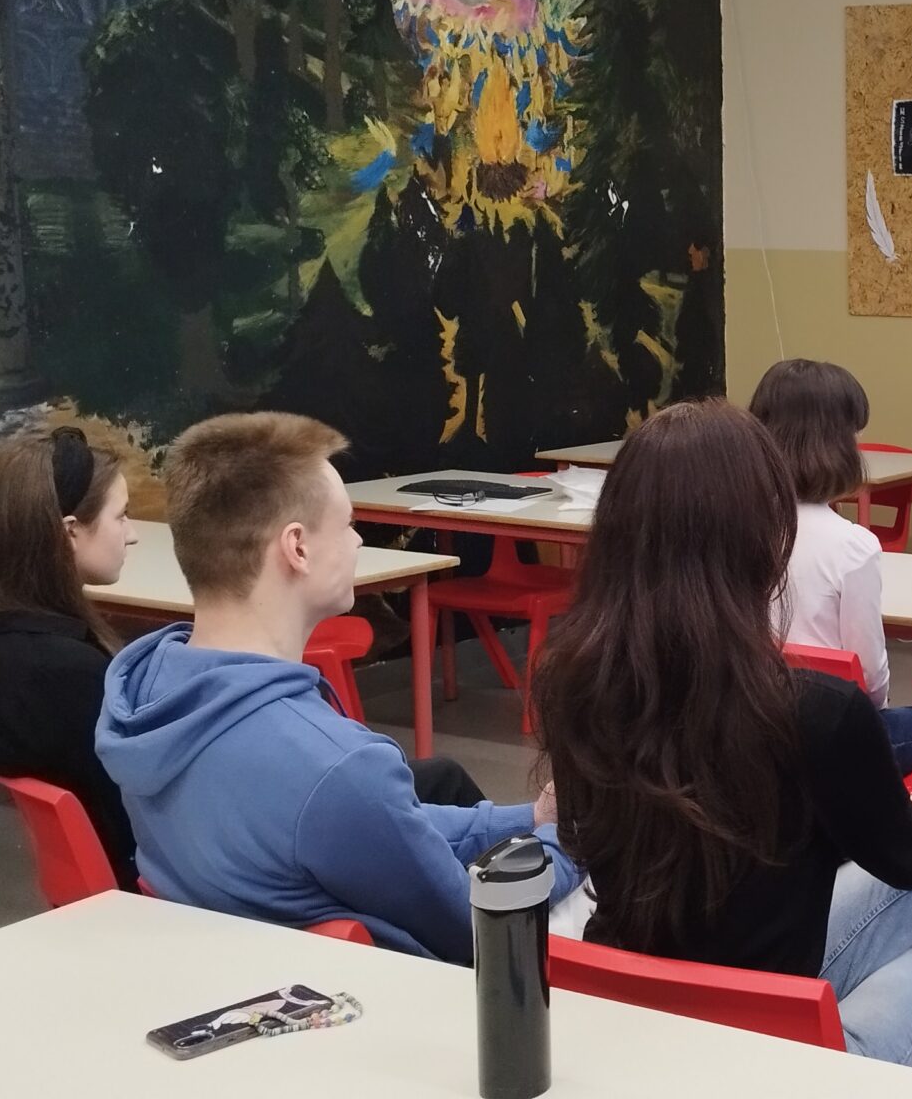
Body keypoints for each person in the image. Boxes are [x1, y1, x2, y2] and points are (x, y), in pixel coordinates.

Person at [538, 401, 912, 1072]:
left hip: (634, 1010)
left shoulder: (570, 683)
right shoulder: (817, 712)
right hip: (761, 1042)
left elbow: (596, 837)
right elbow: (911, 863)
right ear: (762, 541)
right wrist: (902, 819)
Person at [96, 413, 571, 963]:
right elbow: (481, 929)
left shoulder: (145, 686)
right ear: (296, 548)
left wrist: (528, 821)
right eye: (347, 524)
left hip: (239, 983)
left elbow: (386, 827)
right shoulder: (335, 768)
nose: (357, 540)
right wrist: (572, 841)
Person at [0, 427, 143, 890]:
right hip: (143, 887)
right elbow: (141, 806)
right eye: (122, 516)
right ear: (70, 531)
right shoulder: (67, 672)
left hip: (95, 883)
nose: (133, 535)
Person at [749, 359, 897, 720]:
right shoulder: (853, 547)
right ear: (838, 445)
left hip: (744, 714)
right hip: (823, 723)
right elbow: (870, 679)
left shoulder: (731, 525)